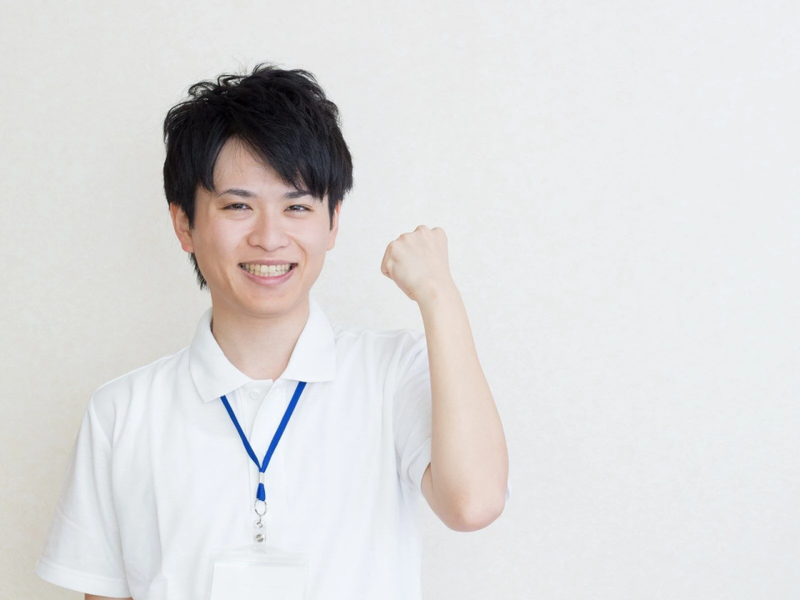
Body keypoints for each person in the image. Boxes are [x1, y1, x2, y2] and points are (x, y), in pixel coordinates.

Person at [34, 63, 511, 600]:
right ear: (184, 224)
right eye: (238, 206)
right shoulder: (121, 412)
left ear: (333, 222)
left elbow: (473, 504)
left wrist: (439, 296)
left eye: (296, 206)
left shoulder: (391, 372)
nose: (269, 237)